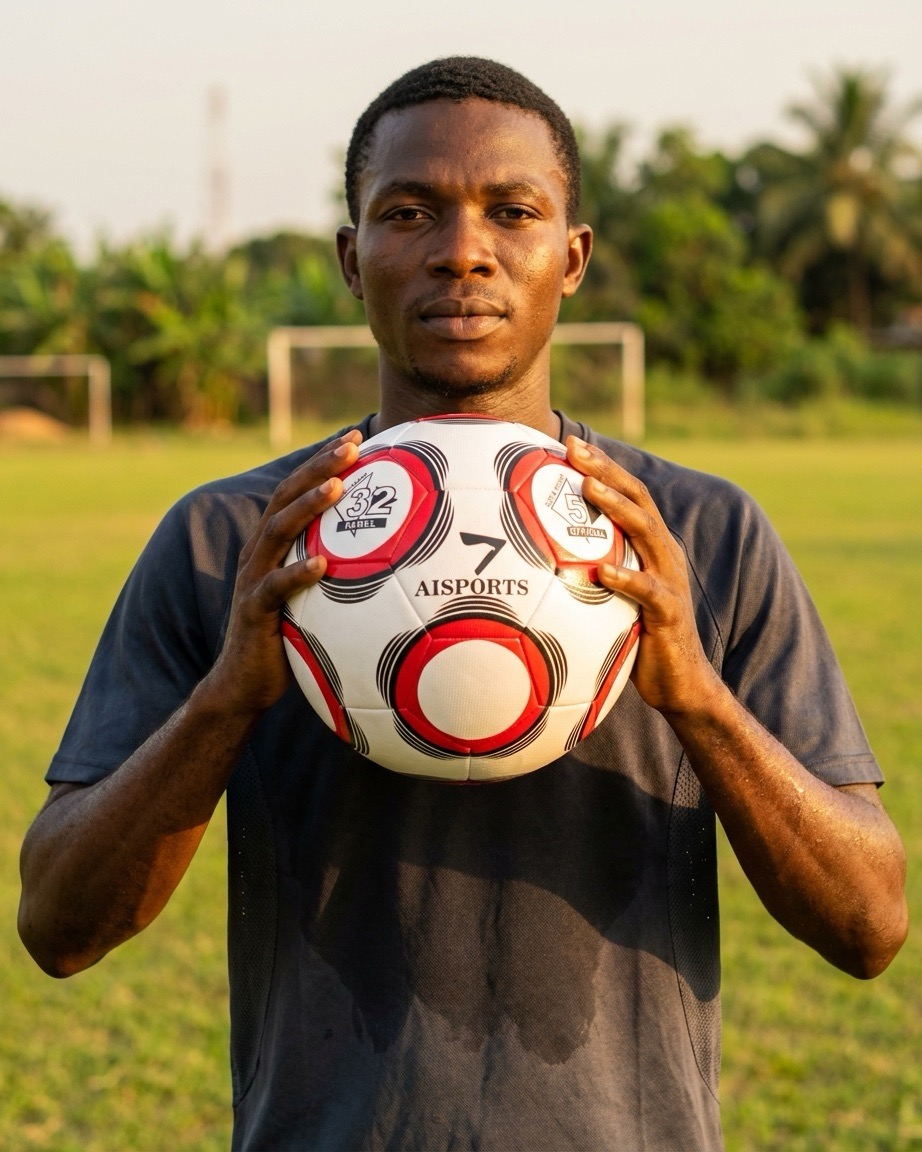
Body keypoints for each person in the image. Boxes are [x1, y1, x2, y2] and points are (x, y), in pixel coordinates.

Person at [19, 57, 907, 1152]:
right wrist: (224, 701)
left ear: (571, 258)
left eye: (513, 211)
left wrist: (697, 699)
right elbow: (58, 928)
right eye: (408, 212)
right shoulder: (231, 541)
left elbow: (869, 927)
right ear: (352, 259)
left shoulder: (700, 536)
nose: (462, 250)